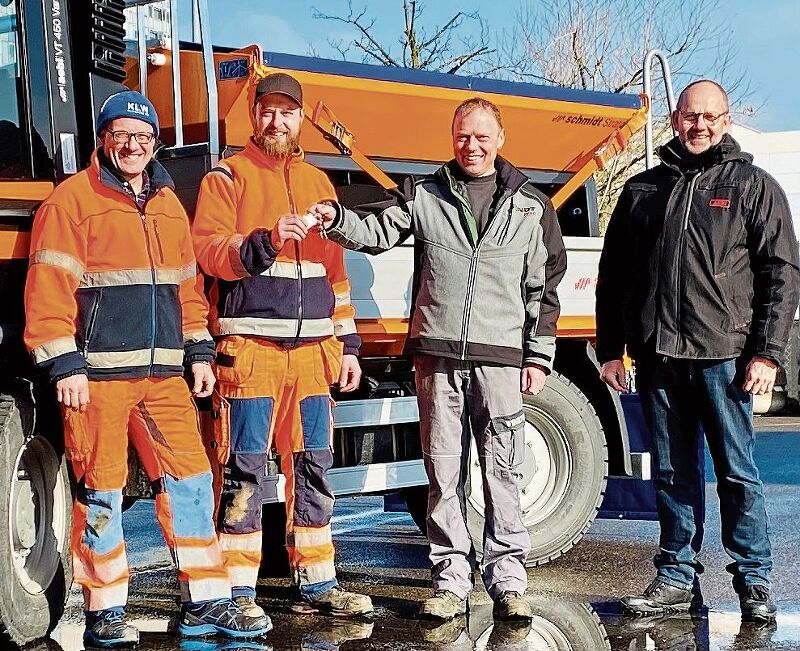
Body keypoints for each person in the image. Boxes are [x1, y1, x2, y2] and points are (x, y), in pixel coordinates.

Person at [23, 90, 272, 647]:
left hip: (164, 379)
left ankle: (208, 601)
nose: (133, 145)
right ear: (103, 140)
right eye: (122, 135)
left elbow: (188, 289)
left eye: (143, 136)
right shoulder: (71, 202)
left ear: (154, 142)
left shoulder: (166, 203)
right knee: (102, 493)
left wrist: (200, 352)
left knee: (192, 482)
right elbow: (48, 290)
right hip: (97, 379)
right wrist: (63, 364)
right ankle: (105, 610)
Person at [310, 97, 567, 621]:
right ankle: (450, 581)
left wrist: (538, 357)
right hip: (436, 357)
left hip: (500, 360)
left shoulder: (531, 207)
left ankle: (508, 583)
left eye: (480, 136)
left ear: (501, 139)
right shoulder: (425, 194)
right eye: (461, 137)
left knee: (503, 470)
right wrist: (336, 218)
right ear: (452, 140)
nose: (470, 146)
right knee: (442, 471)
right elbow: (376, 233)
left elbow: (544, 290)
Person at [596, 79, 800, 623]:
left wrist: (768, 353)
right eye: (690, 116)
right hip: (660, 357)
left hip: (726, 359)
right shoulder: (642, 191)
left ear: (725, 121)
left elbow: (781, 273)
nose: (700, 125)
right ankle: (675, 576)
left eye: (710, 116)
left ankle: (754, 581)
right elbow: (613, 278)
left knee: (737, 473)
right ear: (675, 118)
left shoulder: (753, 187)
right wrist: (612, 348)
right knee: (670, 472)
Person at [192, 73, 373, 618]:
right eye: (267, 111)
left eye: (286, 112)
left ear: (299, 119)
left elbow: (336, 276)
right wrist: (266, 241)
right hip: (250, 353)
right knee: (245, 466)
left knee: (314, 464)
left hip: (316, 356)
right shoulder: (227, 178)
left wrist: (349, 347)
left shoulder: (321, 183)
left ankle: (318, 581)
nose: (277, 121)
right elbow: (209, 254)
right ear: (254, 116)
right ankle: (238, 590)